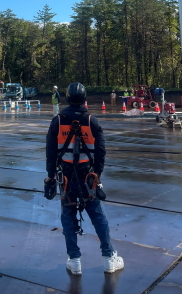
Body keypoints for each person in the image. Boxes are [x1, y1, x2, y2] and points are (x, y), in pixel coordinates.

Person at [44, 82, 124, 276]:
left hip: (66, 176)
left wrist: (50, 176)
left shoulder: (57, 121)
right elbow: (101, 152)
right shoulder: (91, 121)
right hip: (87, 175)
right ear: (85, 98)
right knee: (97, 215)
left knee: (68, 215)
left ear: (67, 98)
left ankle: (74, 260)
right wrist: (97, 174)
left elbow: (51, 152)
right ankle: (109, 257)